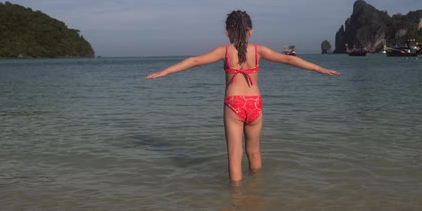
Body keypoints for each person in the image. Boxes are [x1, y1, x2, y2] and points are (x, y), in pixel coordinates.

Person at [145, 10, 339, 183]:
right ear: (251, 31)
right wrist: (318, 68)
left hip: (234, 104)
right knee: (254, 151)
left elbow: (194, 61)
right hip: (255, 104)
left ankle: (237, 200)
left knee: (234, 155)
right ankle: (255, 193)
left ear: (227, 31)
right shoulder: (258, 50)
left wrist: (165, 72)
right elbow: (288, 59)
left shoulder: (224, 51)